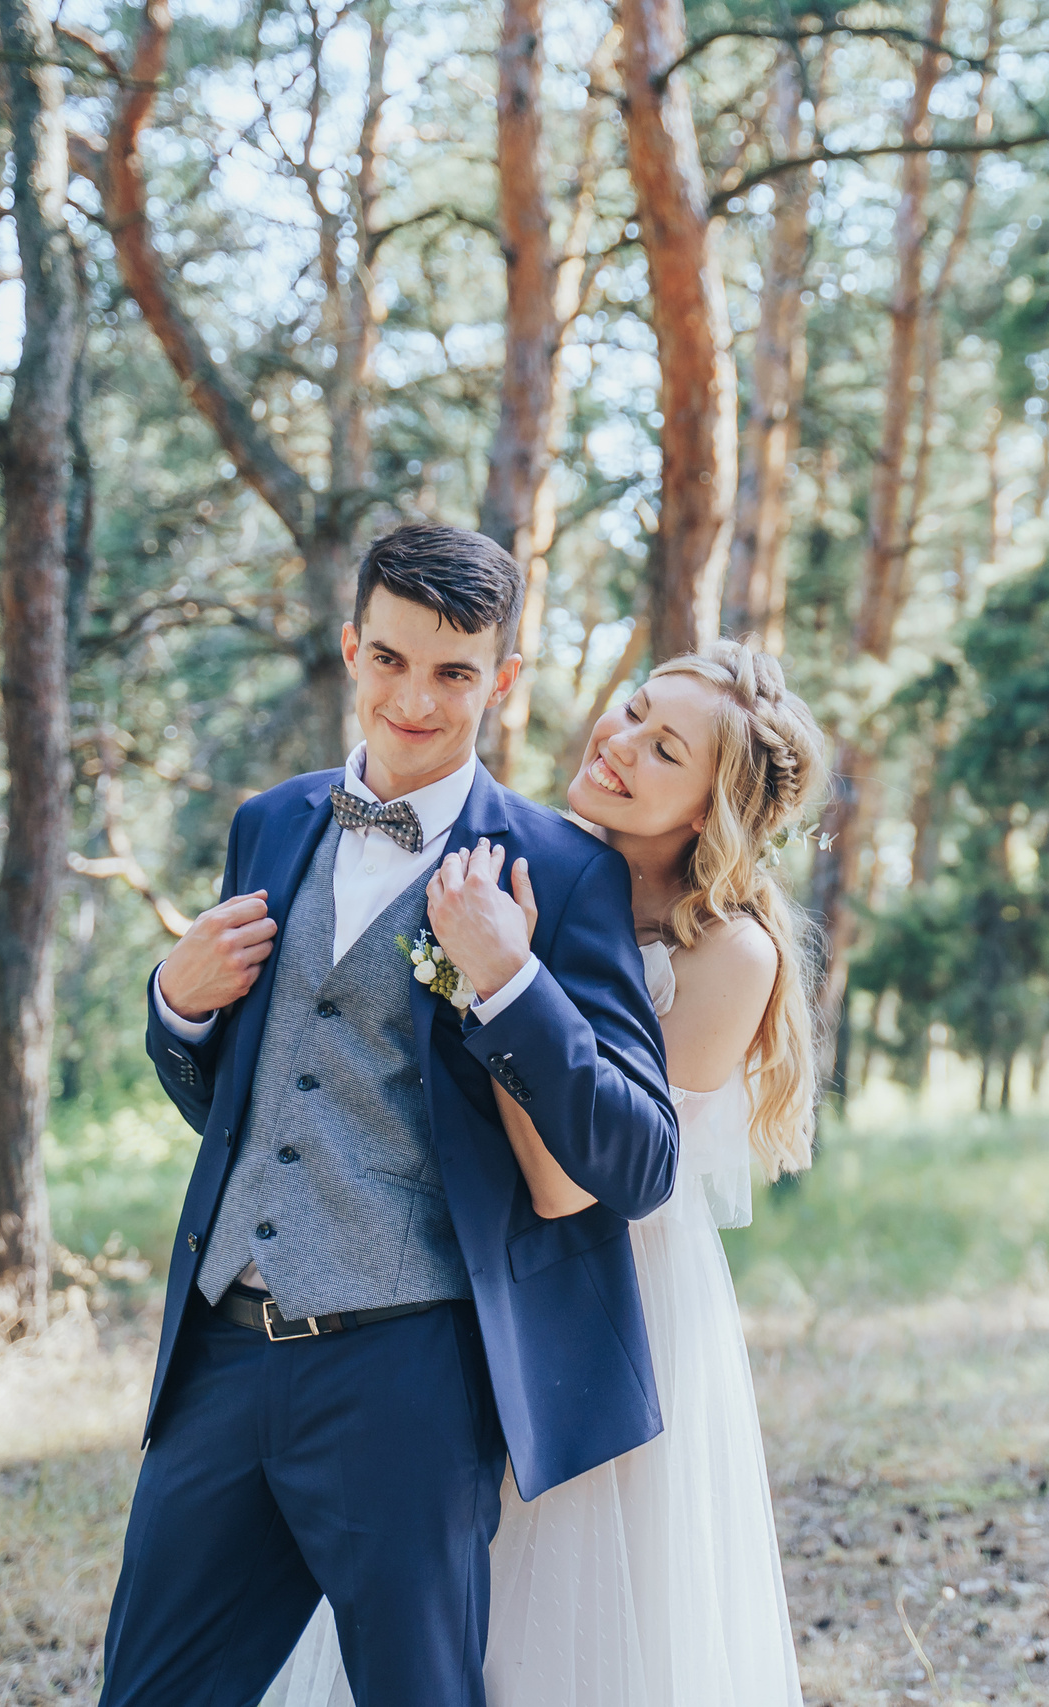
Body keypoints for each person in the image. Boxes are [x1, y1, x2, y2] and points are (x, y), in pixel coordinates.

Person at [100, 523, 682, 1707]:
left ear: (500, 681)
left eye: (453, 672)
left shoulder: (564, 872)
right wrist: (177, 1007)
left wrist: (509, 982)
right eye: (390, 660)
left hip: (408, 1374)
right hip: (222, 1355)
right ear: (351, 648)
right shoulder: (270, 824)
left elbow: (642, 1161)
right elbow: (251, 1107)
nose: (414, 700)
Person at [266, 639, 824, 1707]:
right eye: (633, 709)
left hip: (603, 1290)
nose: (619, 742)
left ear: (709, 812)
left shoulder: (728, 954)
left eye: (665, 750)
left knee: (562, 1619)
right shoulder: (531, 863)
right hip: (468, 1260)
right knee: (422, 1597)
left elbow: (573, 1187)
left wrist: (505, 982)